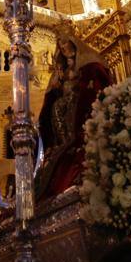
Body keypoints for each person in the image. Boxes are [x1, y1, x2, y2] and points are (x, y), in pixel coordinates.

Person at [35, 25, 113, 199]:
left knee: (68, 106)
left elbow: (91, 82)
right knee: (56, 108)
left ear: (74, 43)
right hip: (64, 102)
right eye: (61, 47)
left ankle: (72, 140)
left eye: (66, 45)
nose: (64, 49)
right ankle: (63, 142)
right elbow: (54, 93)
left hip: (77, 99)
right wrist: (56, 83)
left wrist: (76, 80)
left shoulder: (87, 63)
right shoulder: (62, 67)